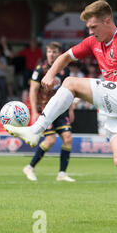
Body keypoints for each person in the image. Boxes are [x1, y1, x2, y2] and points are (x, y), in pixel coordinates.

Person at [4, 0, 117, 227]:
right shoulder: (93, 42)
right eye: (88, 28)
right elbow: (65, 56)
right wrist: (50, 73)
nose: (91, 32)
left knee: (71, 82)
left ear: (107, 21)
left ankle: (36, 131)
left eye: (94, 27)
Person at [22, 41, 76, 183]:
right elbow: (33, 91)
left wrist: (70, 109)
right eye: (49, 52)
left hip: (61, 110)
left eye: (54, 52)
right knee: (50, 140)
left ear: (60, 54)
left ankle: (62, 173)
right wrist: (34, 112)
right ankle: (30, 167)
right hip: (44, 110)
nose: (51, 55)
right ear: (46, 53)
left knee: (68, 138)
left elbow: (69, 91)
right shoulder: (40, 70)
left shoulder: (66, 70)